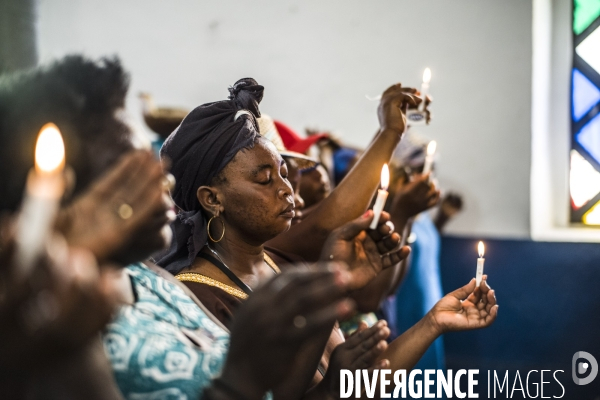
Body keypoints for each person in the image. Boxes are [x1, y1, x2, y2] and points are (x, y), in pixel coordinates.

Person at [0, 56, 391, 400]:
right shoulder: (46, 316)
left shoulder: (153, 281)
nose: (164, 181)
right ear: (66, 194)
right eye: (130, 170)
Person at [158, 77, 499, 398]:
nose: (286, 189)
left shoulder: (279, 266)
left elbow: (358, 385)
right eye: (265, 180)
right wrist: (331, 390)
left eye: (283, 174)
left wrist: (433, 322)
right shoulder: (198, 298)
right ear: (212, 199)